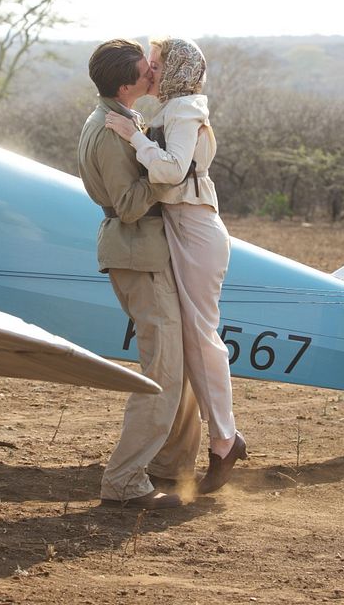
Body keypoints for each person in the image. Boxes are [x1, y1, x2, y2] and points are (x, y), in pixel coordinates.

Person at [104, 37, 246, 495]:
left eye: (160, 64)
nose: (153, 72)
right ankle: (217, 438)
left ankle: (225, 438)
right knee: (190, 336)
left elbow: (170, 169)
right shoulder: (177, 108)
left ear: (180, 69)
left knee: (202, 335)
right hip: (182, 229)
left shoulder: (185, 109)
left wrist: (135, 138)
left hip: (197, 230)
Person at [77, 38, 202, 509]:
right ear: (128, 84)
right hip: (138, 254)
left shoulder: (122, 121)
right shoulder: (114, 131)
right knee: (163, 372)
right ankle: (125, 481)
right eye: (147, 70)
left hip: (145, 255)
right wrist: (172, 170)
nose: (156, 73)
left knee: (179, 364)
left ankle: (171, 468)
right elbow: (128, 206)